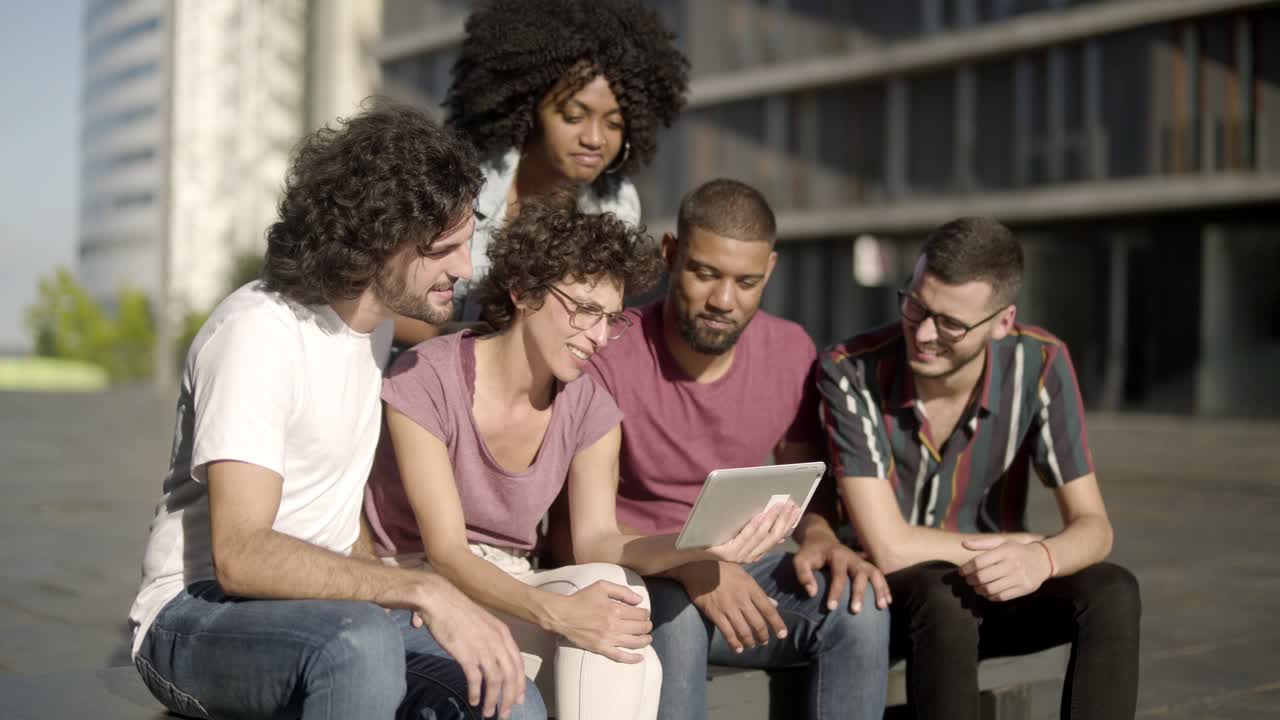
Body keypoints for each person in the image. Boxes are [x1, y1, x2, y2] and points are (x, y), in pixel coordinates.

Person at [127, 101, 541, 720]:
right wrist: (421, 588)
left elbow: (329, 510)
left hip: (327, 612)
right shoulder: (258, 334)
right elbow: (241, 554)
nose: (464, 266)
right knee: (360, 647)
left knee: (507, 697)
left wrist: (401, 596)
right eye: (444, 249)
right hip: (197, 614)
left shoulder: (370, 325)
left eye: (467, 242)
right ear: (376, 243)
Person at [364, 190, 802, 720]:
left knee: (618, 604)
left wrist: (702, 548)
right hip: (414, 590)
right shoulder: (427, 376)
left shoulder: (590, 408)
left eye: (611, 319)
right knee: (613, 639)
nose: (599, 337)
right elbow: (448, 552)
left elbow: (599, 540)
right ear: (524, 292)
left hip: (510, 581)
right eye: (584, 311)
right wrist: (558, 613)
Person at [549, 179, 892, 720]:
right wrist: (692, 566)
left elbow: (808, 483)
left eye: (746, 282)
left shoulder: (790, 350)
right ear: (670, 255)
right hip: (634, 574)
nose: (723, 301)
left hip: (740, 572)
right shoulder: (609, 351)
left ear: (770, 272)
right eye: (704, 273)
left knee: (858, 606)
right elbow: (575, 535)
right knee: (675, 618)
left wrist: (823, 538)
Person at [818, 217, 1142, 720]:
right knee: (939, 595)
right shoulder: (851, 370)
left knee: (1113, 591)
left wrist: (1043, 560)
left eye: (950, 323)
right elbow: (890, 546)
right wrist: (1020, 546)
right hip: (885, 601)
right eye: (915, 305)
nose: (924, 333)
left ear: (1003, 323)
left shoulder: (1041, 364)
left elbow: (1095, 528)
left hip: (993, 592)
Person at [393, 0, 689, 343]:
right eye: (574, 117)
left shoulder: (617, 204)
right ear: (529, 108)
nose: (595, 139)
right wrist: (477, 338)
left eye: (613, 124)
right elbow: (384, 309)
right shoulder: (459, 181)